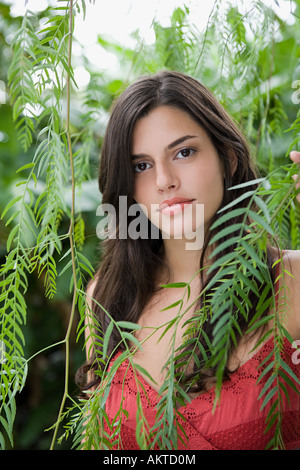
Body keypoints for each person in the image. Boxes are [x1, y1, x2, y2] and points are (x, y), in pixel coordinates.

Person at [76, 70, 300, 450]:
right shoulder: (106, 296)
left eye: (184, 152)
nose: (164, 180)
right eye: (141, 166)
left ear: (228, 158)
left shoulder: (291, 281)